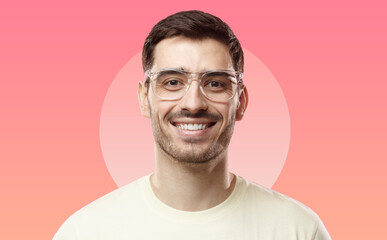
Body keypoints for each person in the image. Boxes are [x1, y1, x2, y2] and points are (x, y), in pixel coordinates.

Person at [53, 10, 331, 240]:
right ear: (144, 98)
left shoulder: (299, 230)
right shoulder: (85, 232)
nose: (193, 103)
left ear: (241, 101)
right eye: (172, 82)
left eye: (215, 83)